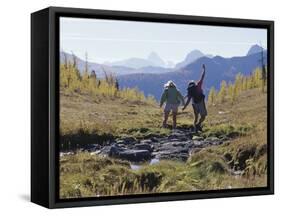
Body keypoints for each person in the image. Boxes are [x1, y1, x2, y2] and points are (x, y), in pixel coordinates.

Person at [182, 64, 207, 132]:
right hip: (200, 102)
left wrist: (184, 107)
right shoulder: (198, 85)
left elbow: (188, 100)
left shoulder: (190, 91)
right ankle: (198, 124)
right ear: (194, 83)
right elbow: (202, 77)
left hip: (194, 104)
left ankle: (195, 128)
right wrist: (204, 69)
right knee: (203, 116)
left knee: (196, 117)